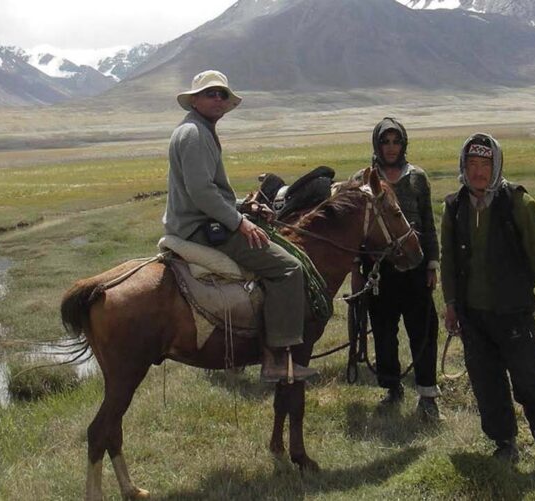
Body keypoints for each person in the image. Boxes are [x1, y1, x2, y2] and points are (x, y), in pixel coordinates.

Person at [163, 69, 317, 383]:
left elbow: (210, 191)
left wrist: (244, 206)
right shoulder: (194, 134)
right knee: (288, 268)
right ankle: (277, 359)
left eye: (222, 94)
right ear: (195, 100)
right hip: (199, 228)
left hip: (197, 220)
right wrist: (240, 222)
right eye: (210, 93)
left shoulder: (198, 130)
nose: (217, 99)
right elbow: (201, 193)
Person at [440, 133, 535, 481]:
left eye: (485, 164)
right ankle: (504, 443)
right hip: (473, 316)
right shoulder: (454, 207)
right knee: (487, 383)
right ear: (463, 166)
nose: (478, 172)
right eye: (472, 164)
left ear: (496, 165)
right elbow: (449, 261)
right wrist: (452, 304)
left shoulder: (518, 203)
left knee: (531, 382)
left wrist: (515, 288)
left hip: (513, 314)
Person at [350, 117, 441, 421]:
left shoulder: (417, 178)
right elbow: (355, 230)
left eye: (396, 141)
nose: (391, 147)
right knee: (384, 333)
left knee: (422, 331)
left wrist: (432, 263)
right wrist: (356, 268)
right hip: (379, 270)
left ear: (403, 144)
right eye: (385, 142)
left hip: (415, 266)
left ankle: (427, 394)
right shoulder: (362, 180)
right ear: (376, 144)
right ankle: (392, 388)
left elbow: (428, 223)